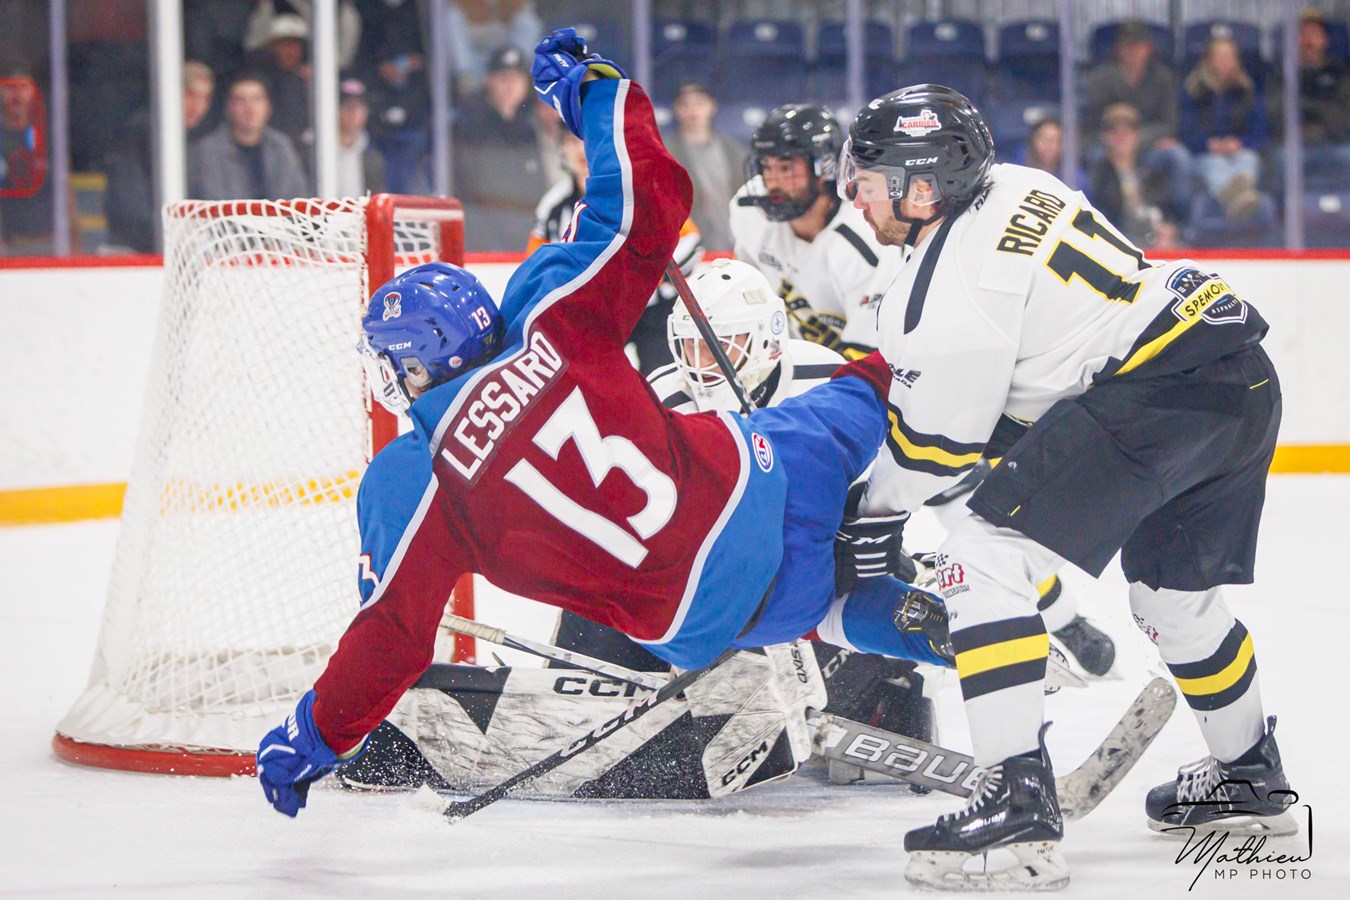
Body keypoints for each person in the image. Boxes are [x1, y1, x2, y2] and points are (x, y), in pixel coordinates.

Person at [256, 29, 950, 818]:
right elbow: (649, 202)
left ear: (415, 366)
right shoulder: (545, 315)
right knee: (893, 379)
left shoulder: (414, 479)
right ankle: (1040, 417)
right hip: (766, 469)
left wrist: (315, 732)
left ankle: (946, 631)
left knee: (825, 606)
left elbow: (392, 636)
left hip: (720, 614)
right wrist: (592, 93)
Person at [836, 83, 1292, 890]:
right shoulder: (1021, 184)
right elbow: (1044, 365)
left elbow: (938, 451)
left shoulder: (946, 285)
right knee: (1171, 601)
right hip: (1236, 374)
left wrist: (869, 516)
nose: (853, 192)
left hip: (1156, 398)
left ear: (922, 185)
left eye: (868, 177)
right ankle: (1249, 774)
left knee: (979, 557)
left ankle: (1017, 811)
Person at [527, 128, 701, 374]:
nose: (581, 150)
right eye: (571, 141)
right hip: (595, 317)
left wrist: (647, 276)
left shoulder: (641, 190)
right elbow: (536, 268)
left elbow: (691, 243)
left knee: (664, 385)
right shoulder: (553, 205)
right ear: (561, 149)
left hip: (652, 312)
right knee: (582, 391)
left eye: (589, 139)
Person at [730, 104, 883, 359]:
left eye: (786, 168)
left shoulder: (864, 238)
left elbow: (868, 360)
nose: (774, 182)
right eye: (767, 168)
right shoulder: (748, 210)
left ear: (825, 167)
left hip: (849, 378)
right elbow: (744, 302)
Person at [104, 61, 215, 253]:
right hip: (134, 253)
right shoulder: (141, 134)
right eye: (190, 95)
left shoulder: (190, 142)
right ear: (170, 91)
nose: (197, 106)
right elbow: (130, 203)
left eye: (205, 98)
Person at [1082, 19, 1192, 205]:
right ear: (1118, 49)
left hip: (1148, 146)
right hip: (1108, 146)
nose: (1133, 52)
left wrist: (1137, 139)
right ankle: (1102, 214)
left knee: (1178, 156)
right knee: (1094, 156)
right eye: (1128, 46)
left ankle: (1179, 221)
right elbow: (1090, 122)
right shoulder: (1101, 78)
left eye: (1139, 46)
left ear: (1148, 49)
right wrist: (1115, 140)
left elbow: (1169, 123)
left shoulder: (1162, 77)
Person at [454, 45, 551, 249]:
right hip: (480, 240)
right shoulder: (469, 127)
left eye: (516, 78)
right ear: (488, 80)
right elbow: (468, 190)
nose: (511, 85)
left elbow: (538, 189)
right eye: (503, 77)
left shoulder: (529, 129)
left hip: (522, 239)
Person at [1181, 35, 1269, 221]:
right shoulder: (1193, 90)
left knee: (1248, 159)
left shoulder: (1247, 91)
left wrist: (1239, 143)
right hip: (1205, 154)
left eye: (1229, 56)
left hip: (1238, 151)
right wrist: (1208, 144)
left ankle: (1238, 199)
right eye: (1219, 56)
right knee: (1215, 165)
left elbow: (1259, 131)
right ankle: (1238, 202)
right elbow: (1185, 131)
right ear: (1208, 59)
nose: (1224, 61)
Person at [189, 73, 310, 200]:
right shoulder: (207, 151)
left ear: (268, 107)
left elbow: (296, 198)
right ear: (229, 107)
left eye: (256, 99)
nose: (249, 108)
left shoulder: (281, 146)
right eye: (240, 100)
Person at [1267, 9, 1350, 184]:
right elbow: (1277, 113)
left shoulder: (1340, 73)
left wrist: (1309, 109)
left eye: (1315, 34)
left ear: (1325, 40)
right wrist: (1318, 113)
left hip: (1333, 143)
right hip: (1297, 146)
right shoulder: (1283, 74)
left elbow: (1344, 116)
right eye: (1303, 35)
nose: (1309, 41)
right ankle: (1284, 210)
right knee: (1282, 159)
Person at [1086, 103, 1182, 251]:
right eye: (1115, 132)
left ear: (1137, 135)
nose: (1121, 138)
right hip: (1121, 242)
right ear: (1105, 136)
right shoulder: (1099, 176)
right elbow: (1103, 218)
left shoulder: (1151, 169)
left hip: (1157, 238)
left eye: (1127, 131)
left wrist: (1169, 229)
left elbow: (1167, 206)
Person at [661, 79, 743, 250]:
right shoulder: (665, 153)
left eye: (699, 103)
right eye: (685, 104)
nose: (693, 111)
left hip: (734, 243)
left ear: (711, 106)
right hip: (689, 247)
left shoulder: (734, 151)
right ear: (677, 109)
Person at [336, 78, 385, 196]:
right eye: (348, 106)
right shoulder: (314, 151)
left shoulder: (372, 156)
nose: (355, 113)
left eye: (360, 107)